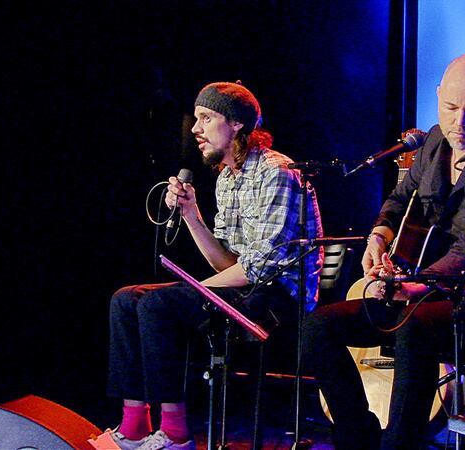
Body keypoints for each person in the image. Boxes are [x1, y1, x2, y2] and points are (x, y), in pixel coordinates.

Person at [302, 53, 465, 449]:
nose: (458, 123)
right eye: (449, 108)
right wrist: (378, 237)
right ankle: (357, 436)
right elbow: (399, 199)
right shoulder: (433, 143)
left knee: (418, 325)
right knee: (318, 326)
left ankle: (400, 444)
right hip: (415, 288)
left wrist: (410, 288)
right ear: (436, 98)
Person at [91, 81, 324, 450]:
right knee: (126, 299)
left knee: (157, 304)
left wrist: (202, 288)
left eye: (206, 118)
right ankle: (134, 425)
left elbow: (261, 267)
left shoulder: (276, 172)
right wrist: (191, 215)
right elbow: (228, 261)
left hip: (277, 298)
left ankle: (175, 433)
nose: (196, 129)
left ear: (235, 124)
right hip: (244, 286)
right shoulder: (227, 179)